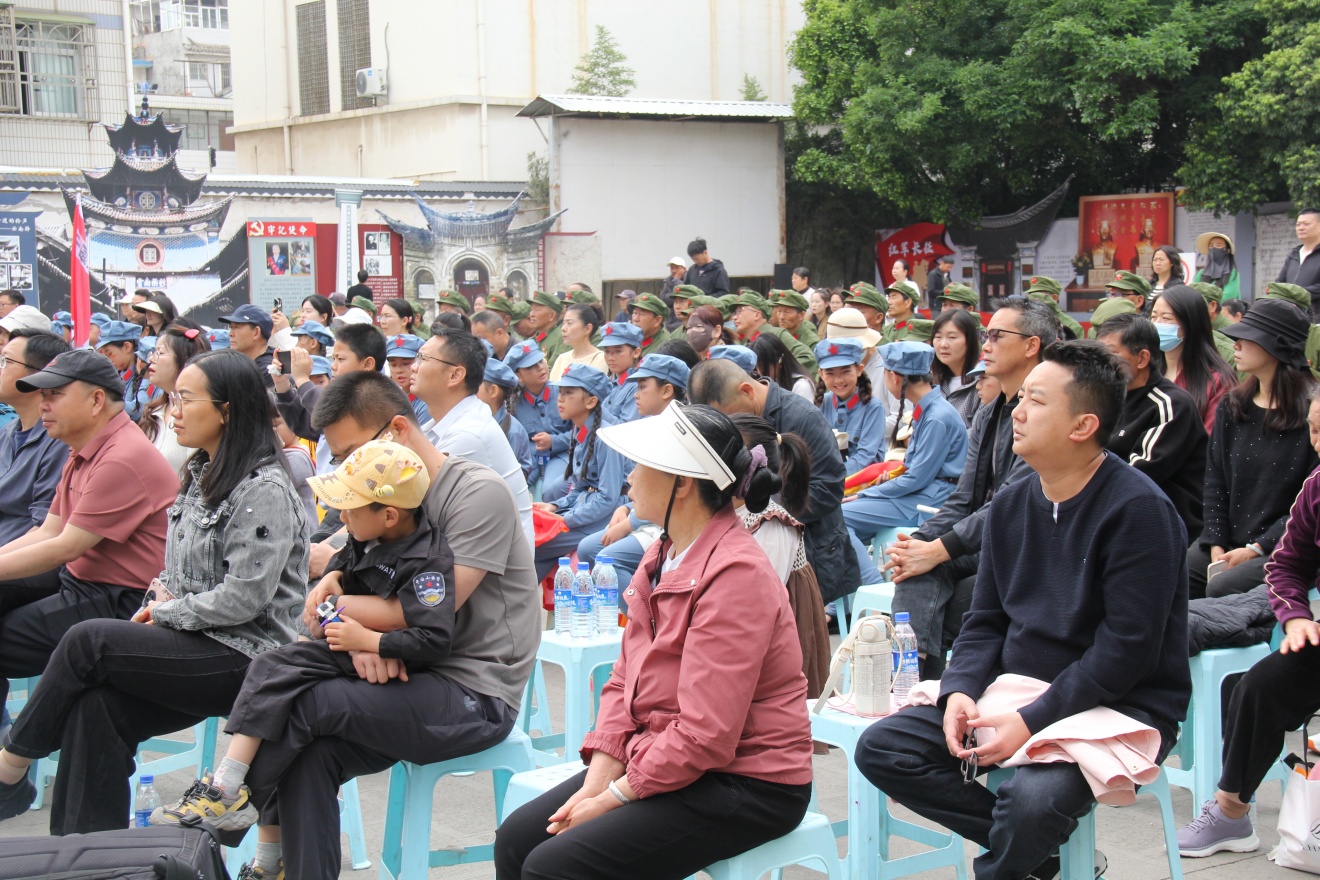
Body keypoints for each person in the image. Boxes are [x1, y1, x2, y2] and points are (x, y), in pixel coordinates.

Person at [856, 339, 1190, 880]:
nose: (1018, 410)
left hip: (1118, 702)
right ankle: (1040, 856)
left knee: (1032, 804)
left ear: (1083, 426)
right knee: (884, 748)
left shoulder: (1139, 510)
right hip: (1016, 689)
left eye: (1036, 400)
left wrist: (1031, 721)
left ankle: (1017, 855)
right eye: (1022, 398)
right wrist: (960, 689)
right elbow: (985, 619)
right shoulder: (1013, 502)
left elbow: (1127, 650)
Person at [228, 369, 538, 878]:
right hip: (408, 668)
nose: (347, 469)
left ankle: (225, 809)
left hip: (472, 689)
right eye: (339, 459)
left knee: (308, 704)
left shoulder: (473, 494)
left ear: (396, 430)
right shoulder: (377, 495)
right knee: (308, 747)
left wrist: (350, 616)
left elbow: (422, 612)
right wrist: (358, 629)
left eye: (352, 453)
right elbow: (335, 578)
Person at [495, 402, 813, 880]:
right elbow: (624, 682)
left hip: (750, 779)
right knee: (517, 840)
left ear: (682, 483)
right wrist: (599, 780)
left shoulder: (736, 574)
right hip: (671, 753)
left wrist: (613, 798)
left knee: (553, 867)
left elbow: (706, 735)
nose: (629, 476)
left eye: (642, 465)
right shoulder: (663, 554)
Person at [0, 349, 309, 832]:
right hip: (196, 637)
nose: (173, 411)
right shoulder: (201, 472)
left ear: (226, 410)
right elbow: (176, 571)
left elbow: (245, 598)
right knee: (95, 709)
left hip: (246, 654)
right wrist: (162, 598)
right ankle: (85, 854)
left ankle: (10, 765)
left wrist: (168, 612)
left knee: (88, 639)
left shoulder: (262, 488)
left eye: (185, 400)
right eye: (173, 399)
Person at [148, 440, 446, 854]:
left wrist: (372, 642)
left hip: (392, 666)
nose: (341, 518)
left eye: (350, 509)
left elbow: (434, 639)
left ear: (390, 515)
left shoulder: (427, 564)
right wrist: (333, 582)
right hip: (346, 645)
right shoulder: (366, 535)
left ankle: (227, 788)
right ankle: (266, 854)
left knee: (273, 670)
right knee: (278, 692)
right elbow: (336, 581)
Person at [1174, 389, 1320, 857]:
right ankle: (1231, 815)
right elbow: (1287, 566)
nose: (1318, 442)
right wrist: (1295, 617)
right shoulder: (1316, 488)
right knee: (1259, 687)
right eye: (1315, 431)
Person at [882, 300, 1058, 677]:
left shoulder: (1048, 413)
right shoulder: (988, 413)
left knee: (933, 603)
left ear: (1031, 345)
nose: (986, 346)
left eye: (996, 336)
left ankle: (913, 682)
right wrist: (919, 541)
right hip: (988, 542)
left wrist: (936, 550)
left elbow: (1010, 505)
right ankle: (916, 686)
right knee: (915, 570)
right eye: (985, 336)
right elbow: (963, 498)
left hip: (1032, 549)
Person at [0, 349, 180, 705]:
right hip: (81, 581)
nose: (43, 405)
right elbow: (47, 532)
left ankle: (13, 738)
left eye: (54, 394)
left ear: (97, 400)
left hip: (120, 599)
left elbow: (65, 546)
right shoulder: (86, 448)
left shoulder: (121, 456)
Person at [689, 357, 860, 603]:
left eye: (727, 416)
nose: (728, 427)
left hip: (812, 550)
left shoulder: (803, 417)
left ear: (747, 391)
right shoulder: (743, 415)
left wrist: (761, 511)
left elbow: (828, 490)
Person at [1191, 298, 1318, 599]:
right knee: (1175, 572)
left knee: (1222, 587)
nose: (1235, 345)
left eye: (1247, 338)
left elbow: (1311, 502)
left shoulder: (1312, 415)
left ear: (1275, 347)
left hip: (1286, 545)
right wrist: (1216, 539)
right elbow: (1215, 478)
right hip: (1230, 538)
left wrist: (1257, 548)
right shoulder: (1233, 405)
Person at [414, 328, 535, 550]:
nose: (414, 367)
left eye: (423, 358)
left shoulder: (469, 435)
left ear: (455, 375)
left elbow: (412, 508)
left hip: (491, 563)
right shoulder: (447, 422)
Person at [577, 355, 692, 584]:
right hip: (646, 513)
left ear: (667, 390)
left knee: (608, 561)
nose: (636, 395)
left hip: (670, 522)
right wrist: (627, 509)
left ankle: (643, 608)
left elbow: (666, 496)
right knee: (587, 548)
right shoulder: (655, 425)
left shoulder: (680, 430)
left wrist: (628, 523)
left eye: (642, 387)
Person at [842, 341, 968, 545]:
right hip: (923, 493)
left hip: (929, 498)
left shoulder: (936, 417)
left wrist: (867, 493)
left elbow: (917, 478)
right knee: (842, 521)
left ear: (894, 377)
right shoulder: (931, 409)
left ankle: (867, 570)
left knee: (839, 518)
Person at [1095, 313, 1207, 538]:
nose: (1102, 362)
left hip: (1162, 521)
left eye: (1111, 354)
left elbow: (1137, 475)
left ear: (1142, 358)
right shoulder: (1103, 397)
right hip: (1110, 509)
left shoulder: (1171, 404)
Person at [532, 365, 627, 578]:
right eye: (560, 392)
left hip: (604, 517)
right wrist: (555, 506)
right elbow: (579, 488)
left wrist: (566, 519)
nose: (560, 398)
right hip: (586, 510)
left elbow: (608, 498)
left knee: (532, 546)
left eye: (569, 393)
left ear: (591, 401)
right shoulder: (579, 429)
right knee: (531, 533)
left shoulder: (605, 436)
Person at [0, 331, 71, 548]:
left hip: (23, 561)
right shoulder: (8, 432)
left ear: (40, 376)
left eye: (5, 361)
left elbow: (44, 529)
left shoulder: (60, 441)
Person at [1150, 285, 1237, 434]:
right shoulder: (1147, 371)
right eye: (1153, 317)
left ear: (1191, 323)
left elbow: (1212, 438)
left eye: (1166, 318)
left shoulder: (1218, 380)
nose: (1157, 324)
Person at [139, 323, 211, 473]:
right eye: (153, 352)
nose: (151, 359)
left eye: (160, 353)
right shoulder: (154, 411)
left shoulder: (198, 414)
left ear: (184, 359)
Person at [507, 340, 573, 499]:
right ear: (518, 376)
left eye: (540, 361)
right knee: (513, 490)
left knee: (550, 490)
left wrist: (554, 441)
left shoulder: (563, 393)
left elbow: (582, 432)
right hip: (533, 461)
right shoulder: (514, 405)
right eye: (530, 366)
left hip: (564, 455)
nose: (540, 368)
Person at [815, 338, 884, 475]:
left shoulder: (873, 407)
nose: (839, 380)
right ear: (821, 374)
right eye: (830, 373)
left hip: (863, 480)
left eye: (846, 371)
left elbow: (865, 456)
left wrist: (833, 478)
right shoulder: (823, 403)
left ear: (859, 370)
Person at [729, 291, 818, 374]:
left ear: (757, 315)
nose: (734, 317)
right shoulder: (747, 342)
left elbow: (807, 357)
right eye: (735, 313)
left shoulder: (776, 335)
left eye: (739, 311)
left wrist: (780, 374)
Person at [480, 357, 534, 480]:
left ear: (493, 391)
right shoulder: (480, 420)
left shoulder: (512, 431)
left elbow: (505, 474)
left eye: (476, 385)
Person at [931, 308, 984, 426]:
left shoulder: (982, 383)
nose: (943, 345)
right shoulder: (931, 382)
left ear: (969, 341)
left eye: (952, 337)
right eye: (938, 337)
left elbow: (978, 432)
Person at [1276, 207, 1320, 318]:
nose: (1301, 228)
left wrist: (1296, 294)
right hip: (1292, 317)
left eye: (1306, 224)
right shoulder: (1294, 254)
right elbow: (1280, 282)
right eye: (1298, 224)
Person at [219, 304, 275, 389]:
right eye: (231, 327)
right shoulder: (234, 363)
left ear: (256, 332)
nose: (230, 333)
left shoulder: (270, 370)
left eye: (236, 327)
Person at [598, 322, 643, 426]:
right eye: (607, 351)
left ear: (636, 352)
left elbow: (625, 429)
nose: (610, 358)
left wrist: (596, 409)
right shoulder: (606, 381)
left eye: (618, 351)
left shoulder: (637, 386)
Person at [752, 333, 816, 401]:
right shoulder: (766, 384)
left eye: (763, 367)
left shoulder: (801, 386)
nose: (759, 372)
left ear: (779, 361)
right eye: (756, 368)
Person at [384, 333, 430, 423]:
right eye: (393, 365)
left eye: (406, 364)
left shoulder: (427, 403)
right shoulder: (393, 398)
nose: (399, 370)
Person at [1024, 276, 1083, 340]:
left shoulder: (1072, 326)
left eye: (1039, 295)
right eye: (1031, 294)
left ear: (1054, 298)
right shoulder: (1023, 322)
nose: (1034, 299)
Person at [526, 290, 568, 366]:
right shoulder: (533, 340)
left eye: (537, 310)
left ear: (551, 315)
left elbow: (555, 369)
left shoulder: (561, 339)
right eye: (531, 309)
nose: (531, 314)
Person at [1194, 233, 1240, 299]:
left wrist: (1210, 303)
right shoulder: (1200, 274)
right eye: (1211, 246)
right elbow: (1193, 294)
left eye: (1218, 245)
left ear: (1228, 250)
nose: (1214, 248)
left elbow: (1228, 296)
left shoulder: (1232, 274)